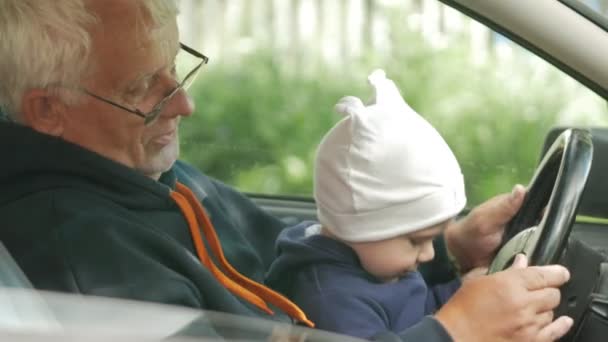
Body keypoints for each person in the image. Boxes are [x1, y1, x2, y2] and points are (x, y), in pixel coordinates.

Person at [0, 1, 572, 341]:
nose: (182, 104)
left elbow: (295, 264)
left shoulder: (147, 179)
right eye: (140, 89)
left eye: (173, 67)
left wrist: (436, 244)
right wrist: (454, 333)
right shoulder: (78, 251)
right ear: (48, 110)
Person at [266, 69, 478, 339]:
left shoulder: (378, 267)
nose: (429, 255)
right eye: (416, 240)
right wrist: (460, 328)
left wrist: (463, 292)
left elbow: (416, 310)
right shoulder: (333, 303)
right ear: (361, 226)